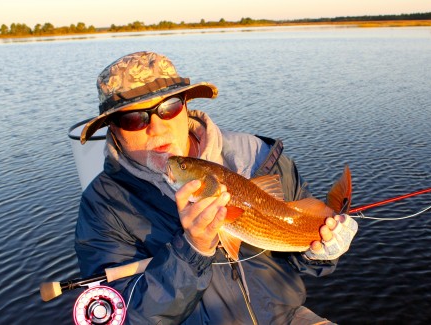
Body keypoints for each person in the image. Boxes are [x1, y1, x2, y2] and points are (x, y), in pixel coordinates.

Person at [75, 51, 358, 325]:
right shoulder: (104, 206)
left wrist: (323, 252)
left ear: (185, 105)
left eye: (169, 107)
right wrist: (192, 250)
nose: (157, 128)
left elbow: (305, 258)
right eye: (133, 119)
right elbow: (123, 316)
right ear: (112, 128)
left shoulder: (259, 156)